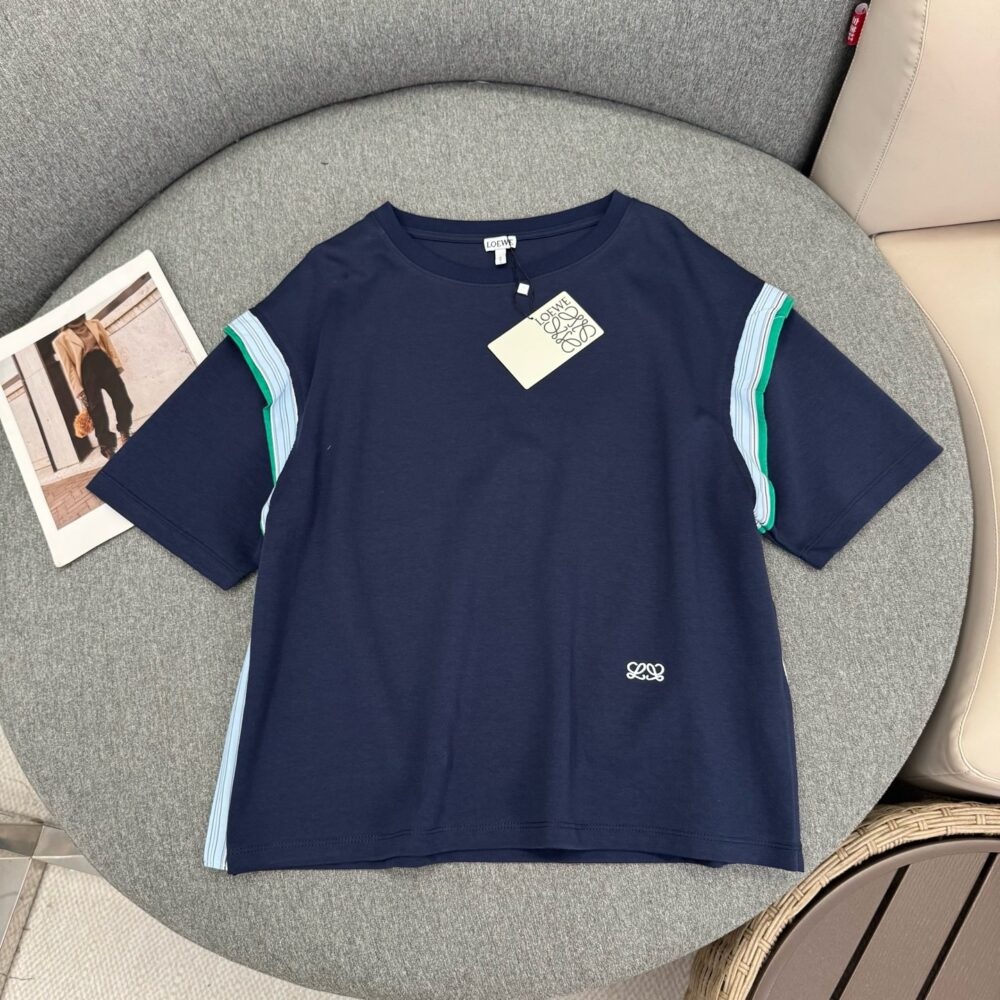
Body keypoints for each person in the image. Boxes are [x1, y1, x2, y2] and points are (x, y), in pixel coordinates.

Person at [53, 314, 133, 458]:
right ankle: (107, 446)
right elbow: (69, 368)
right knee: (96, 409)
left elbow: (108, 346)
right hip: (86, 370)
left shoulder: (94, 324)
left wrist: (116, 365)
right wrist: (78, 390)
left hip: (104, 362)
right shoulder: (61, 340)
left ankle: (124, 431)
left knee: (122, 398)